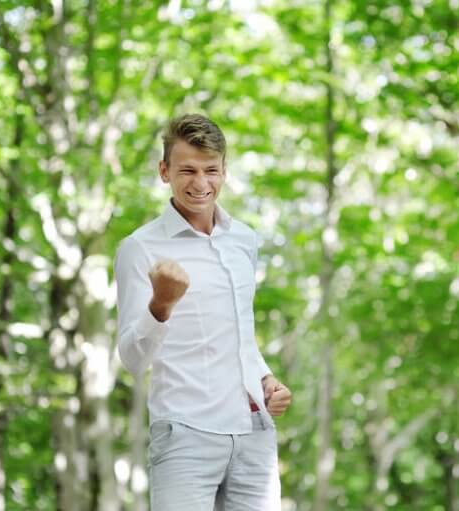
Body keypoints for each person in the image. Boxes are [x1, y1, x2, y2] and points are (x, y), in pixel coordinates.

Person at [114, 113, 292, 510]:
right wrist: (160, 305)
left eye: (211, 170)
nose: (200, 183)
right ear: (164, 171)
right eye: (187, 170)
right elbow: (132, 358)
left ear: (225, 171)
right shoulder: (139, 249)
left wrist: (266, 379)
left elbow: (239, 337)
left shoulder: (244, 240)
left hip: (254, 434)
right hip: (186, 435)